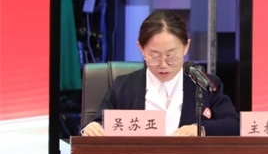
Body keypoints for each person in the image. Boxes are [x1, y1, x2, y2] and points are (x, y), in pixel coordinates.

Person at [82, 10, 239, 136]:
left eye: (171, 56)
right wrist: (92, 128)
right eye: (154, 56)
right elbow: (99, 124)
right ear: (141, 48)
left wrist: (200, 129)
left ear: (186, 47)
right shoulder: (124, 86)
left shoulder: (204, 85)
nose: (163, 65)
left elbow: (234, 124)